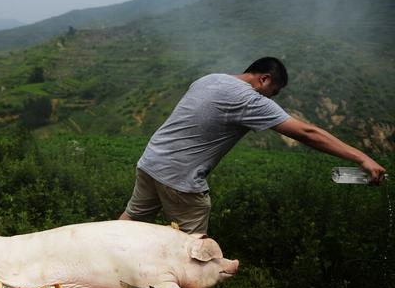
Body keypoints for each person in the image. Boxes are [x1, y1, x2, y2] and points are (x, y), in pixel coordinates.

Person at [119, 57, 386, 234]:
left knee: (130, 222)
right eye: (275, 92)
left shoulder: (210, 78)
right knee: (191, 250)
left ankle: (96, 263)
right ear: (265, 79)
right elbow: (307, 132)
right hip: (180, 177)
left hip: (151, 161)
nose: (273, 98)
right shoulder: (249, 100)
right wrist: (361, 157)